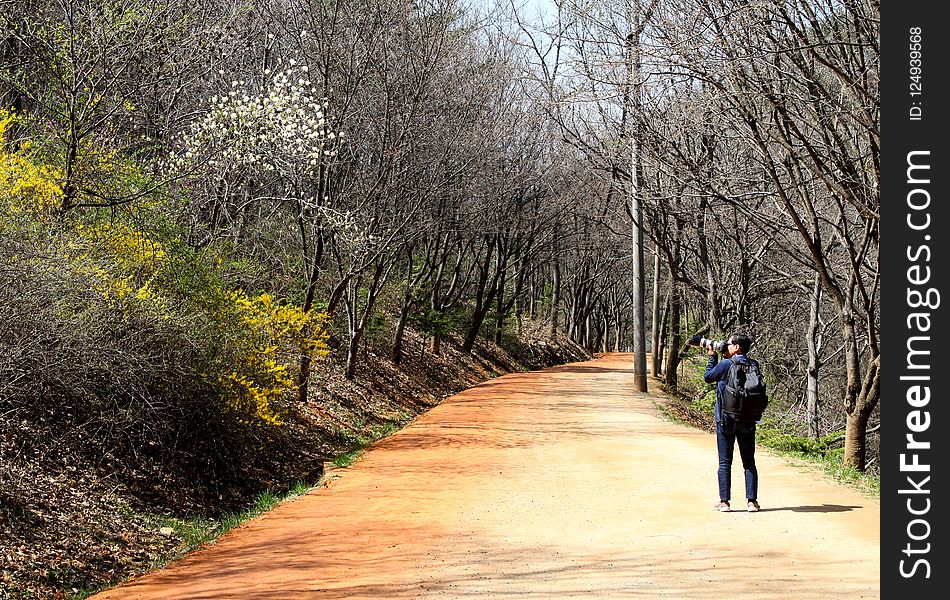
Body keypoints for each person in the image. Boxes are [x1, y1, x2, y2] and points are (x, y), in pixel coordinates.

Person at [703, 332, 760, 513]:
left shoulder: (726, 364)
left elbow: (708, 377)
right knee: (749, 462)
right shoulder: (754, 365)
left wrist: (712, 358)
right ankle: (752, 502)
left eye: (728, 344)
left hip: (726, 420)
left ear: (736, 347)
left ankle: (725, 502)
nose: (725, 346)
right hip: (748, 420)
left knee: (725, 462)